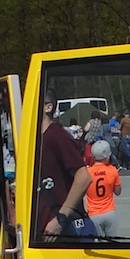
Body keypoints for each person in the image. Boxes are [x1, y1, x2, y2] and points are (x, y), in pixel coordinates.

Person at [37, 90, 93, 241]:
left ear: (48, 107)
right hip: (42, 231)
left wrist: (61, 218)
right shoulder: (36, 140)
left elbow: (84, 177)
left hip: (62, 231)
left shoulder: (57, 136)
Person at [85, 140, 122, 237]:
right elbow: (118, 191)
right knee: (112, 243)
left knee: (100, 245)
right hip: (109, 212)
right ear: (107, 156)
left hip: (93, 214)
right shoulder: (112, 170)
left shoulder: (88, 172)